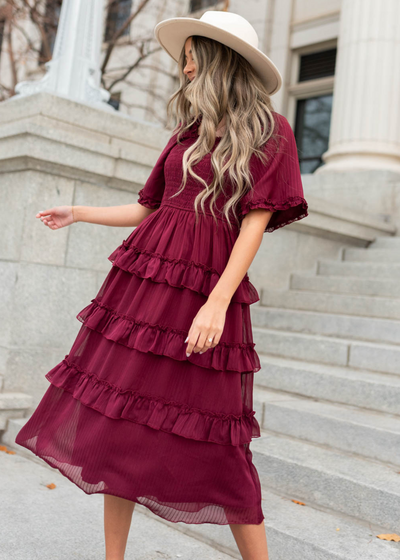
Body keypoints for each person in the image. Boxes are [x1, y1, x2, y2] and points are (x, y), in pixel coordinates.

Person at [15, 10, 308, 560]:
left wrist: (217, 303)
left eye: (192, 52)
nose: (185, 63)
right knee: (118, 424)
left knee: (223, 442)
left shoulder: (271, 130)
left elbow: (255, 221)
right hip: (143, 288)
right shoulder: (188, 134)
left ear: (219, 58)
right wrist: (78, 211)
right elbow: (149, 208)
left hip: (205, 294)